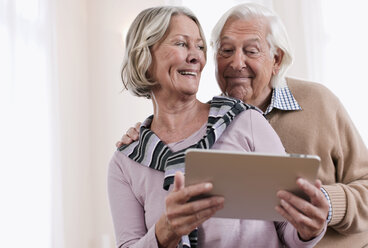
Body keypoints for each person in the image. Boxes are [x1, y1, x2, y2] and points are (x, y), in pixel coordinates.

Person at [117, 3, 368, 247]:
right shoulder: (141, 152)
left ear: (276, 59)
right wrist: (149, 141)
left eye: (251, 51)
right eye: (225, 51)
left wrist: (322, 205)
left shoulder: (316, 104)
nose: (237, 64)